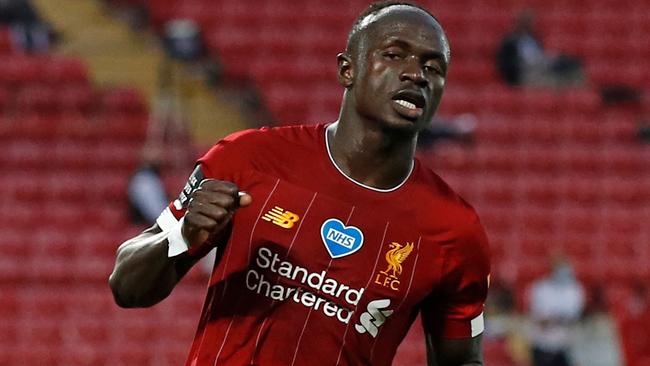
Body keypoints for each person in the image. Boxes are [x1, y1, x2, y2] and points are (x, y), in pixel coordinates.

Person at [109, 2, 491, 365]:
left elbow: (461, 360)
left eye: (433, 66)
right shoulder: (246, 158)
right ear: (347, 70)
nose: (415, 73)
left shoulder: (454, 231)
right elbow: (126, 287)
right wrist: (180, 238)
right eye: (394, 55)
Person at [496, 9, 583, 88]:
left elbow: (539, 55)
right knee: (557, 82)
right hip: (524, 74)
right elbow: (507, 65)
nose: (530, 24)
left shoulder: (533, 38)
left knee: (571, 70)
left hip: (541, 69)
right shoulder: (510, 41)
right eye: (526, 22)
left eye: (530, 22)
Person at [527, 256, 585, 366]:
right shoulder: (541, 288)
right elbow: (540, 319)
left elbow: (575, 317)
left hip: (564, 347)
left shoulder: (575, 290)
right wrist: (559, 319)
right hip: (542, 345)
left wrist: (554, 319)